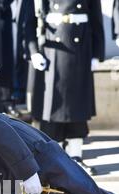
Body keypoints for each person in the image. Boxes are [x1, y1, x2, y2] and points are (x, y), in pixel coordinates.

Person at [25, 0, 105, 176]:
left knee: (77, 105)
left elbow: (96, 19)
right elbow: (28, 20)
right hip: (51, 50)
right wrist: (33, 51)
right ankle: (54, 159)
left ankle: (76, 157)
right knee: (52, 108)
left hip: (79, 49)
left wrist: (98, 54)